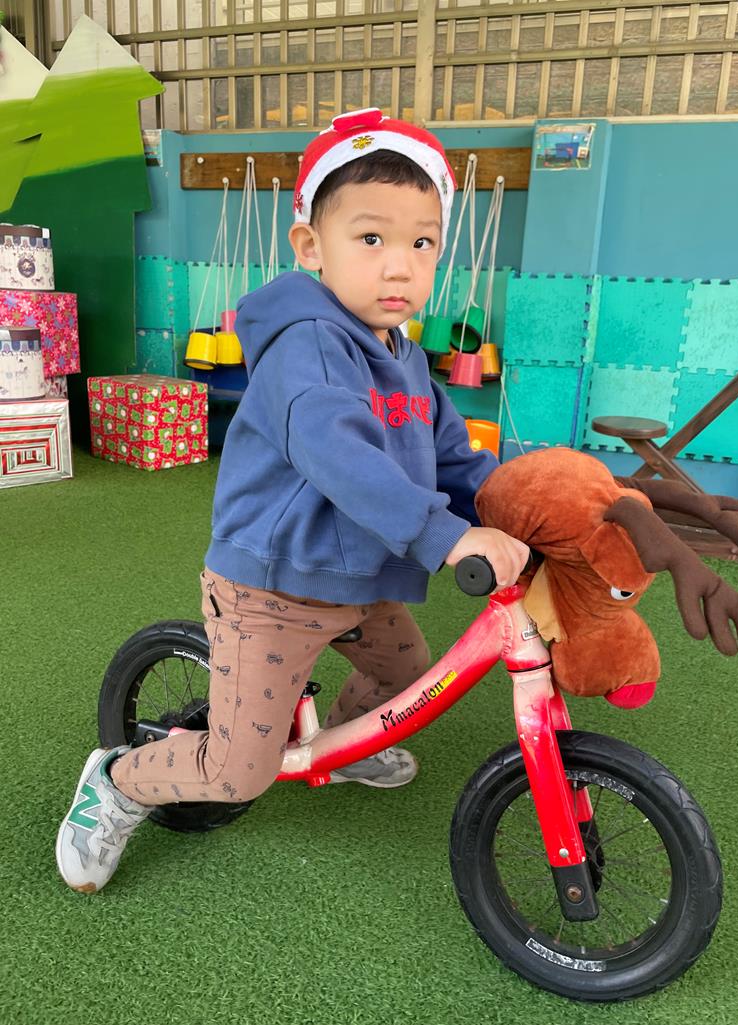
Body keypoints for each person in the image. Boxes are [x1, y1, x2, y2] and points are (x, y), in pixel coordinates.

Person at [56, 108, 530, 893]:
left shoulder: (407, 356)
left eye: (421, 243)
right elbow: (337, 453)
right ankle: (118, 779)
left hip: (361, 578)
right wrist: (444, 536)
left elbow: (452, 456)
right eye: (370, 238)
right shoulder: (305, 345)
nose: (399, 267)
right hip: (272, 589)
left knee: (408, 675)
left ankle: (343, 744)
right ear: (311, 246)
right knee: (239, 769)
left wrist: (514, 509)